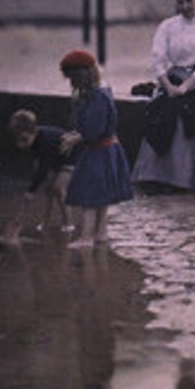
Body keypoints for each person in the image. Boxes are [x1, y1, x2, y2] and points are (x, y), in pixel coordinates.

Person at [132, 0, 195, 192]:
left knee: (185, 112)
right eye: (180, 2)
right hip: (170, 79)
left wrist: (186, 86)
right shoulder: (167, 26)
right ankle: (154, 175)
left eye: (189, 1)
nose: (185, 6)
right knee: (160, 111)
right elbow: (158, 57)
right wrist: (168, 85)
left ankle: (183, 178)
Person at [58, 49, 133, 248]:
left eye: (72, 78)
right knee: (102, 195)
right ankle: (101, 233)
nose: (71, 83)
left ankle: (86, 237)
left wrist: (75, 139)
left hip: (98, 151)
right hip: (109, 149)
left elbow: (94, 130)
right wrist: (75, 136)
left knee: (89, 197)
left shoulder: (96, 97)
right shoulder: (103, 90)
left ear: (80, 75)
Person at [7, 109, 74, 234]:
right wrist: (33, 188)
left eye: (24, 139)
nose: (21, 144)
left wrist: (31, 191)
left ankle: (68, 223)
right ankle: (45, 222)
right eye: (18, 140)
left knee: (58, 189)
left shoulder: (46, 141)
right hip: (56, 160)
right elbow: (38, 168)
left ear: (33, 132)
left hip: (73, 159)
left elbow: (43, 168)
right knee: (47, 189)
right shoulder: (34, 142)